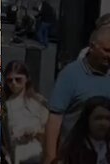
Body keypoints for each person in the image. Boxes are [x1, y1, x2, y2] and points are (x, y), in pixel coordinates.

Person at [44, 26, 110, 164]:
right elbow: (55, 118)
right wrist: (50, 157)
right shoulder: (70, 75)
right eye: (106, 50)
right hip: (74, 155)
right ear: (92, 47)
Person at [3, 61, 48, 164]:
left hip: (38, 156)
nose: (14, 83)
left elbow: (50, 132)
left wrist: (33, 132)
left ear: (26, 79)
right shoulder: (6, 105)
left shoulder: (39, 102)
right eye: (10, 80)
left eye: (18, 79)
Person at [54, 96, 110, 164]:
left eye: (107, 118)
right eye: (98, 118)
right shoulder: (74, 151)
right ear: (87, 120)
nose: (103, 123)